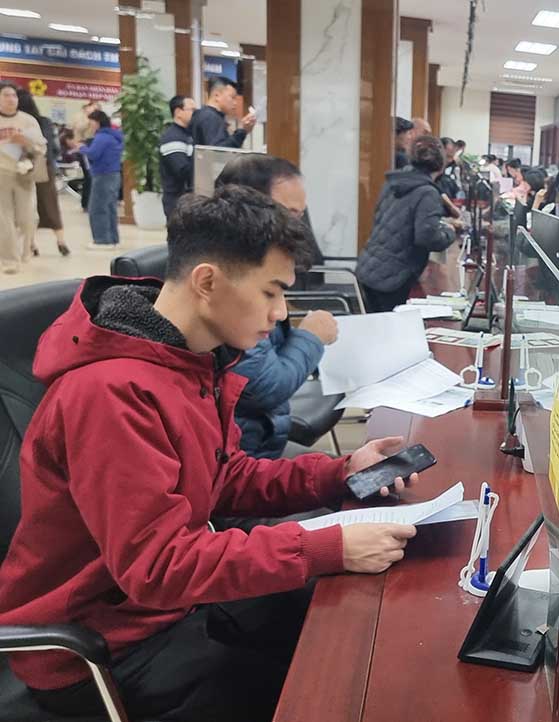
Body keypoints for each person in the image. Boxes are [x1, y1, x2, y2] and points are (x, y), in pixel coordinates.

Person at [0, 184, 422, 722]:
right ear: (207, 282)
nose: (281, 312)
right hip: (100, 647)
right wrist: (326, 548)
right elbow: (160, 566)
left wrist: (339, 473)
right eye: (271, 291)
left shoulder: (185, 361)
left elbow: (224, 478)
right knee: (322, 679)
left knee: (337, 616)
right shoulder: (112, 393)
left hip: (157, 610)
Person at [214, 154, 339, 459]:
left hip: (260, 445)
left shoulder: (256, 268)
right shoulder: (230, 282)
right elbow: (265, 388)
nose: (298, 228)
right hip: (247, 457)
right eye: (289, 214)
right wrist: (310, 337)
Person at [357, 134, 460, 311]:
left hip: (370, 266)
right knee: (389, 330)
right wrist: (450, 231)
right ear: (441, 165)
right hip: (393, 276)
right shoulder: (427, 192)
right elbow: (427, 237)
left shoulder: (395, 182)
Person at [17, 88, 69, 257]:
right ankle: (61, 241)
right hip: (45, 167)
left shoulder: (18, 122)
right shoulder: (45, 122)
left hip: (21, 166)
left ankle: (32, 244)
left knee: (26, 206)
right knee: (50, 204)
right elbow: (54, 147)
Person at [0, 82, 44, 273]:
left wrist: (25, 142)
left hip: (23, 174)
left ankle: (26, 250)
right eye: (6, 95)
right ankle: (9, 259)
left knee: (27, 218)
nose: (11, 99)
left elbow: (41, 148)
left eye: (14, 96)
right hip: (2, 174)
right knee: (4, 218)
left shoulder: (28, 121)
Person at [71, 110, 123, 248]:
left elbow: (93, 154)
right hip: (114, 174)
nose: (90, 126)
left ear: (98, 122)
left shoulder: (102, 137)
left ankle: (102, 240)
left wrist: (82, 148)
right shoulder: (114, 136)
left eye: (92, 122)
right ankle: (112, 238)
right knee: (110, 207)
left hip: (102, 175)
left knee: (98, 208)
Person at [190, 75, 256, 149]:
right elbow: (219, 153)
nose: (235, 103)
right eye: (232, 97)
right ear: (217, 95)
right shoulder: (210, 117)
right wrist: (242, 131)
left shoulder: (203, 114)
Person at [159, 94, 197, 218]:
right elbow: (181, 170)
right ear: (178, 112)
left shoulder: (187, 135)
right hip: (177, 202)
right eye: (192, 110)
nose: (196, 114)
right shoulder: (172, 138)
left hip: (187, 200)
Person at [71, 100, 98, 211]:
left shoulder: (95, 118)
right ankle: (86, 203)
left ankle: (91, 202)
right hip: (83, 145)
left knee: (93, 176)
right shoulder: (79, 117)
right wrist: (88, 118)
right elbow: (79, 128)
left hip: (93, 143)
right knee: (89, 175)